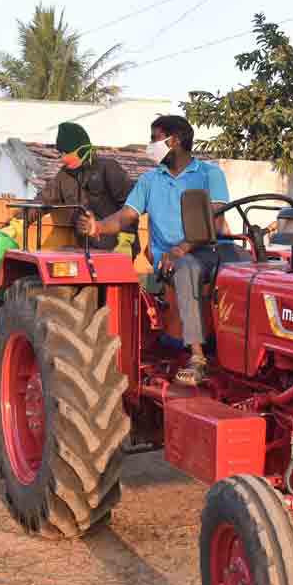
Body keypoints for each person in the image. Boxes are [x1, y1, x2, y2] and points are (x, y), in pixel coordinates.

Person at [80, 115, 235, 386]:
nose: (150, 144)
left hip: (212, 249)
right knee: (186, 267)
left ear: (173, 141)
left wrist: (183, 248)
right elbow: (126, 215)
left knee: (258, 269)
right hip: (173, 259)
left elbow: (215, 218)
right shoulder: (150, 180)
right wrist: (98, 228)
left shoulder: (210, 174)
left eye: (154, 138)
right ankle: (198, 356)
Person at [33, 121, 135, 253]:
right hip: (86, 250)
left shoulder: (108, 168)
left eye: (65, 153)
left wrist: (127, 239)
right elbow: (43, 199)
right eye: (60, 154)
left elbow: (131, 206)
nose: (62, 159)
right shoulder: (64, 176)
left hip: (116, 248)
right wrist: (17, 222)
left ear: (81, 151)